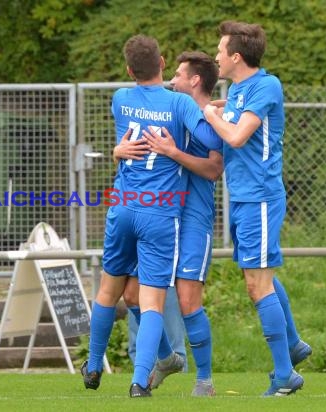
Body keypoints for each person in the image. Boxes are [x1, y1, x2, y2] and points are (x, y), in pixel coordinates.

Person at [81, 34, 223, 398]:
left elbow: (127, 137)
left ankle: (94, 366)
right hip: (160, 212)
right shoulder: (178, 103)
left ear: (129, 69)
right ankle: (138, 382)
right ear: (162, 64)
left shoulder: (121, 98)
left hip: (123, 206)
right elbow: (212, 137)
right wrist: (212, 112)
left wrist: (117, 150)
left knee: (109, 291)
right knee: (151, 301)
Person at [203, 20, 308, 396]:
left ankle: (285, 375)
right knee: (258, 276)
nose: (215, 56)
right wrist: (210, 104)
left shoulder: (266, 84)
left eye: (219, 50)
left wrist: (211, 114)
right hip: (244, 199)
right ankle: (293, 345)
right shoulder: (236, 89)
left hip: (261, 196)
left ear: (235, 56)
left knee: (256, 284)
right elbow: (230, 111)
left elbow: (235, 134)